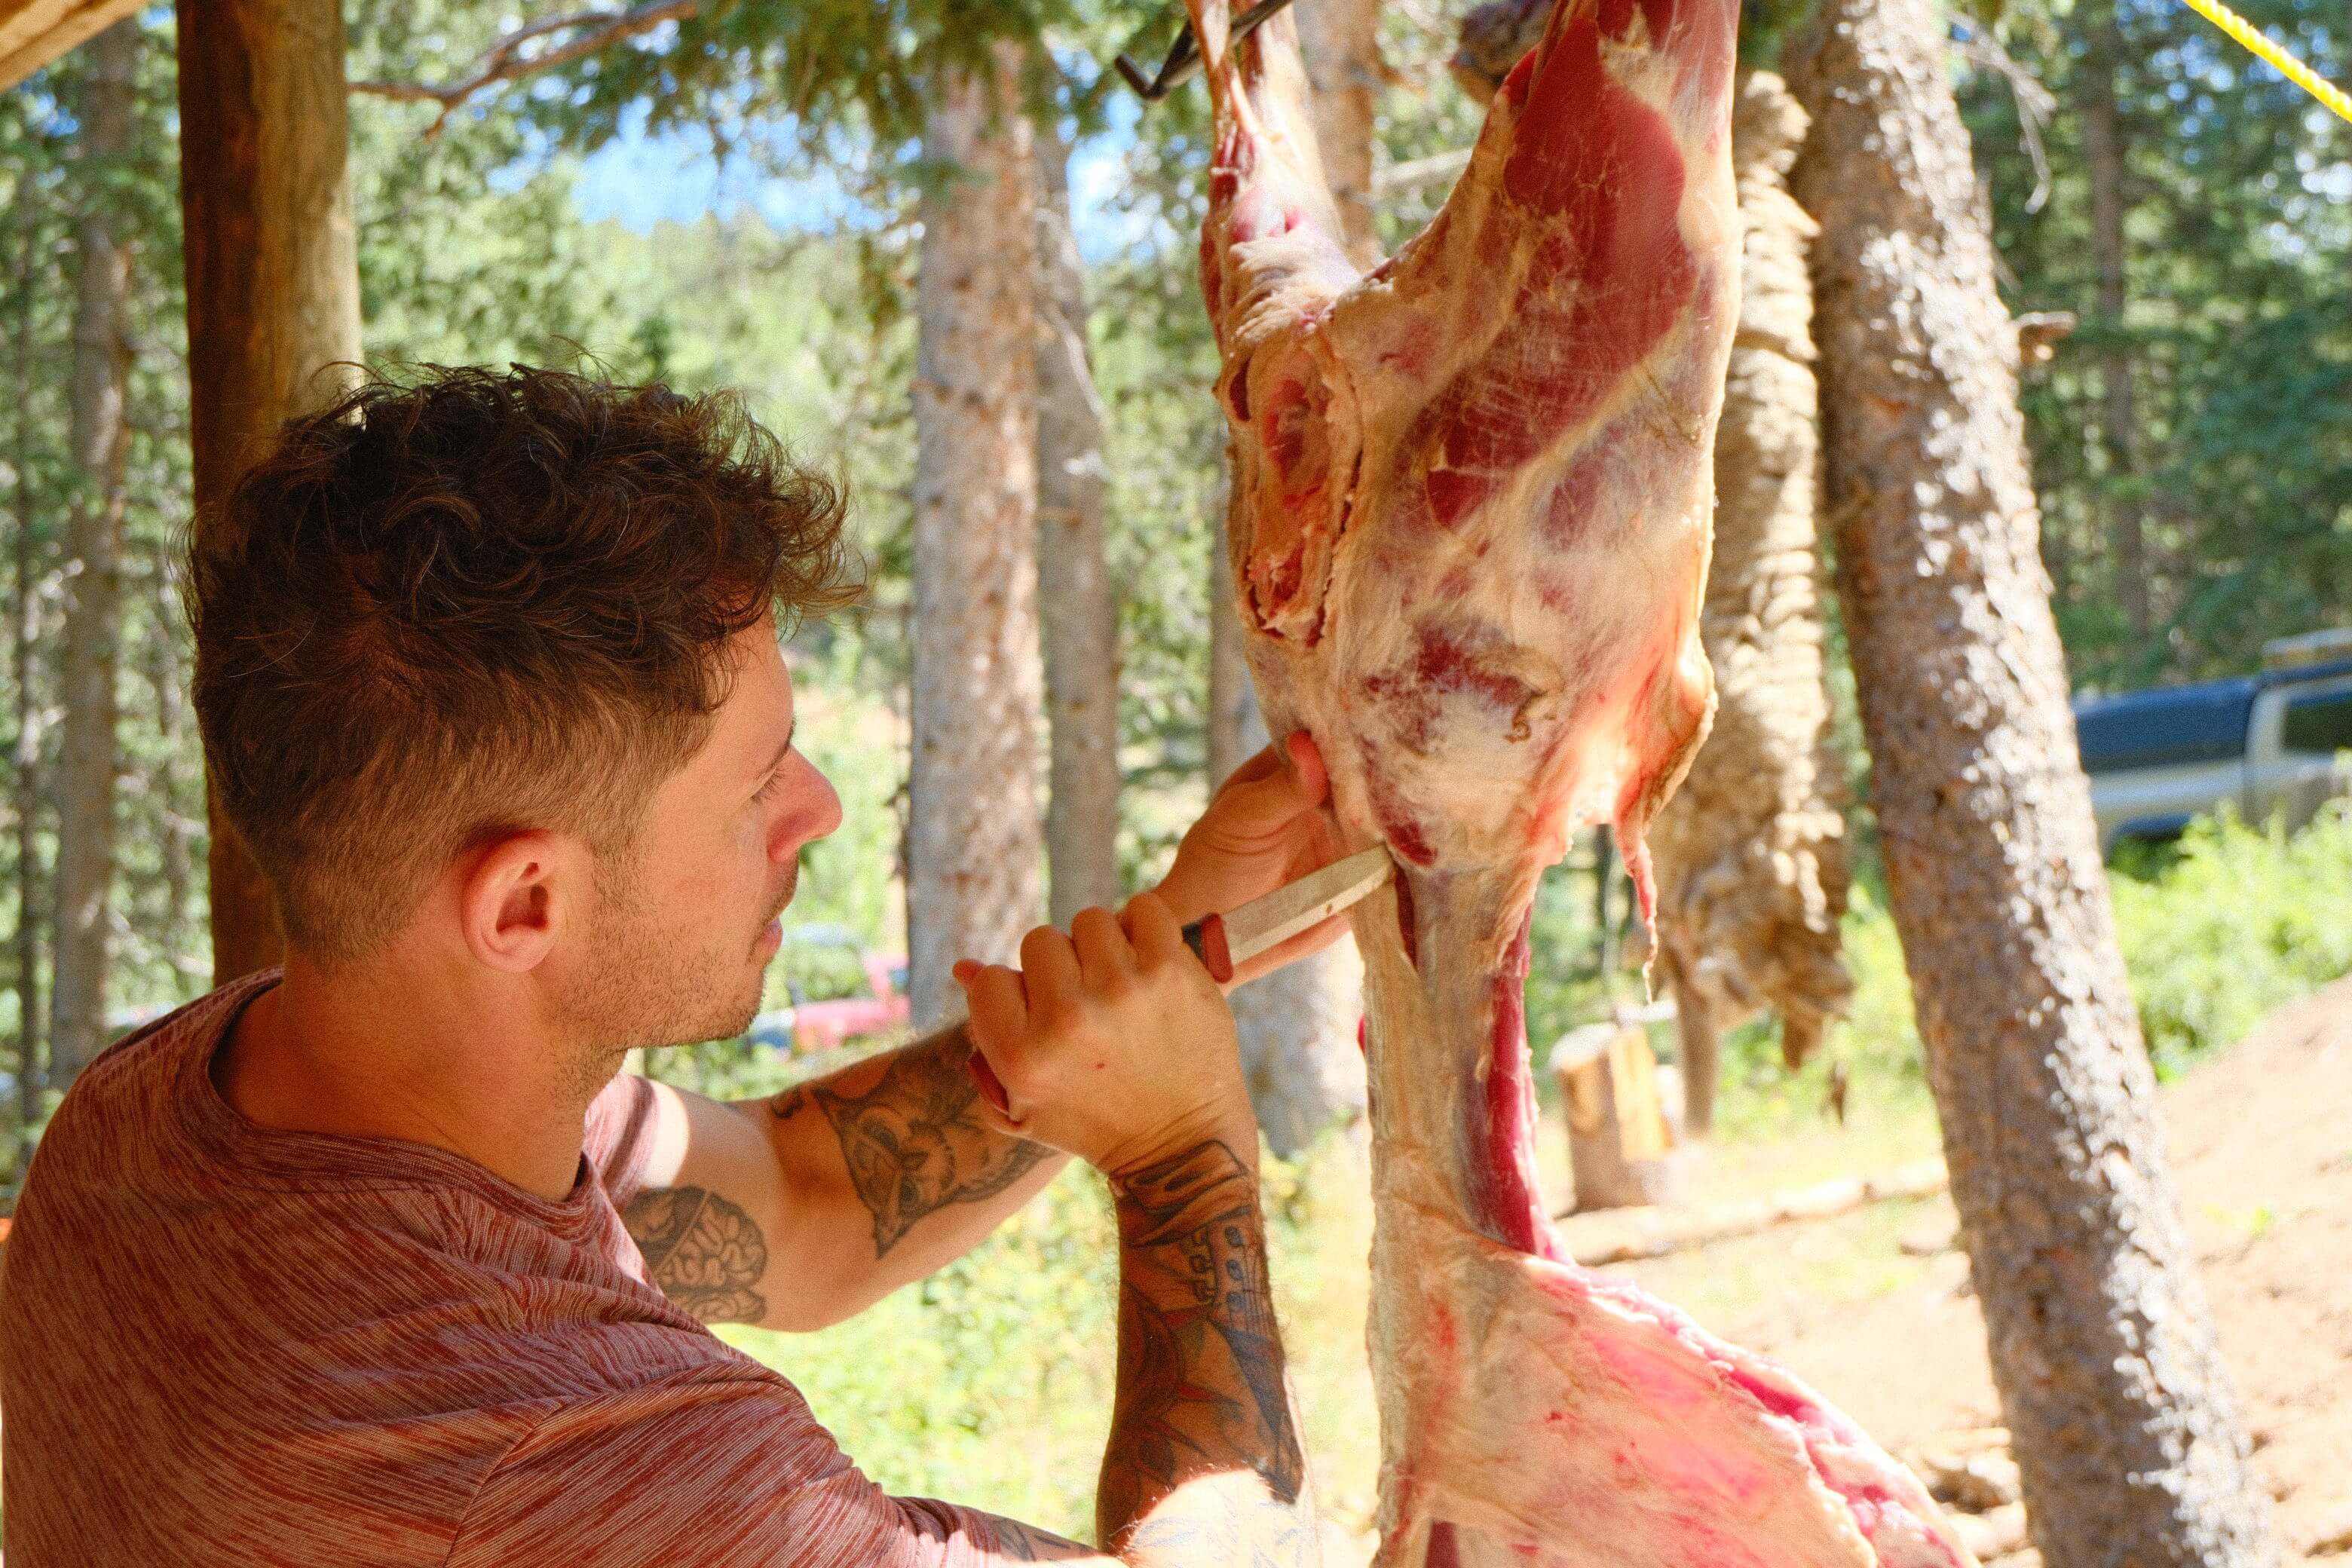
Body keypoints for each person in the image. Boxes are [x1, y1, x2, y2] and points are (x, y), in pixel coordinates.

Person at [0, 366, 1348, 1566]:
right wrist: (1185, 1158)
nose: (818, 808)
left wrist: (1180, 934)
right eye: (756, 783)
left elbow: (808, 1202)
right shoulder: (553, 1466)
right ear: (526, 904)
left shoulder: (167, 1106)